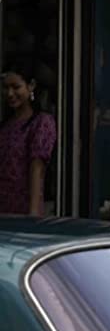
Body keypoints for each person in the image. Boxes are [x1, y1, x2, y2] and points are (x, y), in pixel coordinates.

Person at [0, 60, 56, 216]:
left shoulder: (41, 123)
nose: (10, 94)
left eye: (16, 87)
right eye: (6, 88)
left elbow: (36, 170)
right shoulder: (6, 126)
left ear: (31, 86)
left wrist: (33, 215)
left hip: (23, 208)